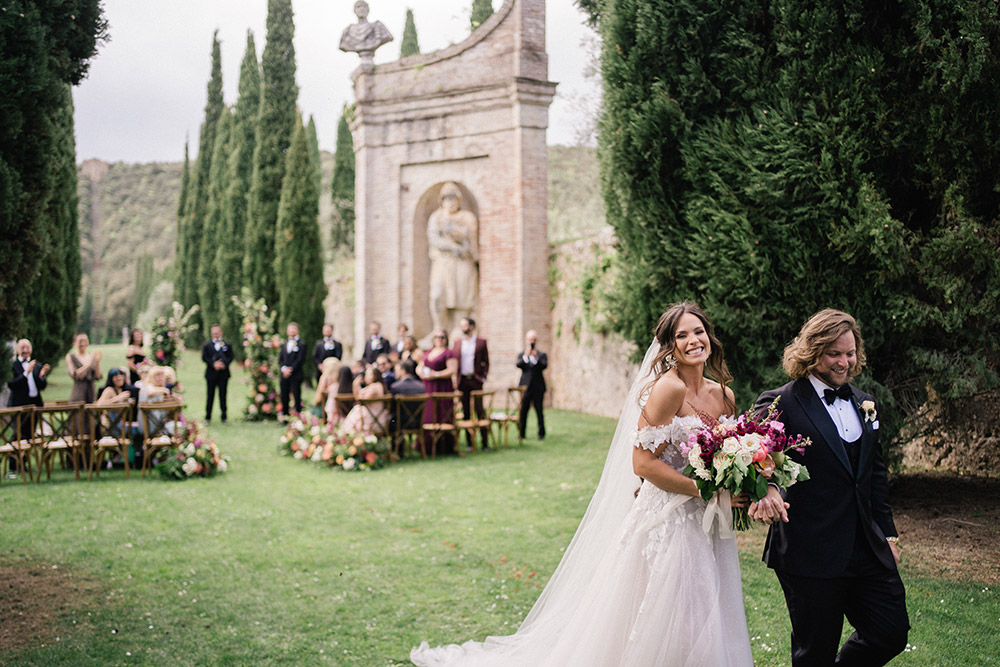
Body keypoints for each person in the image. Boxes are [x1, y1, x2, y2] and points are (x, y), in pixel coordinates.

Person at [411, 302, 753, 665]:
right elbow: (642, 463)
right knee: (674, 614)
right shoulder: (669, 390)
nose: (693, 340)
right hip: (668, 520)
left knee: (707, 608)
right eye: (681, 335)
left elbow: (725, 454)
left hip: (709, 520)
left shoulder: (724, 395)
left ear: (709, 336)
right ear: (669, 346)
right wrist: (705, 491)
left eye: (698, 331)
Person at [748, 309, 909, 666]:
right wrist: (769, 489)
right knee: (814, 652)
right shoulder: (781, 401)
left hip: (866, 546)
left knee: (890, 632)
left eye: (850, 353)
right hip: (809, 547)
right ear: (812, 351)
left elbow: (875, 478)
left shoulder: (865, 402)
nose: (844, 361)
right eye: (834, 353)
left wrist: (889, 536)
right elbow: (754, 457)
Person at [428, 182, 479, 334]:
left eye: (453, 199)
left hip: (463, 262)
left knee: (462, 298)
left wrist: (453, 232)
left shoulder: (467, 217)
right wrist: (454, 246)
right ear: (441, 201)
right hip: (442, 262)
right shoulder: (436, 217)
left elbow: (470, 239)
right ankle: (439, 329)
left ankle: (459, 331)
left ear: (459, 200)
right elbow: (434, 239)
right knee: (437, 295)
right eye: (446, 199)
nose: (450, 202)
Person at [419, 329, 458, 455]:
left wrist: (435, 374)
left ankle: (443, 447)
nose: (439, 339)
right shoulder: (429, 352)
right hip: (428, 387)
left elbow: (452, 370)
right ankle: (427, 446)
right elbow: (420, 366)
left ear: (446, 339)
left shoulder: (449, 353)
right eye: (437, 337)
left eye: (442, 337)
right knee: (428, 414)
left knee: (441, 414)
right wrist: (421, 373)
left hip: (442, 387)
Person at [452, 317, 489, 449]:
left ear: (472, 326)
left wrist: (482, 377)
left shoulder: (481, 342)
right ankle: (469, 443)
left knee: (479, 410)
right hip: (463, 381)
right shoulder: (457, 343)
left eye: (465, 325)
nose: (463, 328)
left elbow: (486, 362)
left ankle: (485, 442)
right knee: (466, 411)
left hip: (475, 380)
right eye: (461, 326)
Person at [516, 330, 547, 440]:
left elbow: (544, 366)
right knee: (523, 411)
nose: (532, 341)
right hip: (525, 388)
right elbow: (519, 365)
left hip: (538, 387)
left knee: (539, 411)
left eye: (534, 339)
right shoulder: (522, 354)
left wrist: (536, 357)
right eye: (530, 339)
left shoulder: (541, 355)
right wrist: (526, 355)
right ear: (526, 340)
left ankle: (541, 433)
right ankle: (521, 433)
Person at [340, 366, 389, 434]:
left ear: (374, 376)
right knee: (357, 410)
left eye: (368, 374)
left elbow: (361, 400)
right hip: (373, 418)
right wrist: (355, 385)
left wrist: (356, 385)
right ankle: (347, 432)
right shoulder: (373, 386)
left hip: (375, 420)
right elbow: (358, 398)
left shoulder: (375, 386)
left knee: (357, 409)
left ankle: (346, 432)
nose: (365, 377)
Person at [202, 324, 234, 424]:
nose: (215, 334)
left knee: (223, 395)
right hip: (211, 374)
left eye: (217, 332)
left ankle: (224, 416)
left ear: (221, 332)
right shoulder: (207, 345)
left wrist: (224, 364)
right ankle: (208, 417)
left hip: (223, 374)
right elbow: (204, 357)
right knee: (210, 395)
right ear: (211, 333)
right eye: (214, 332)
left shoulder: (227, 344)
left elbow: (231, 356)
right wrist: (213, 364)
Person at [278, 322, 306, 421]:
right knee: (284, 396)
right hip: (284, 374)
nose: (292, 331)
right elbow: (280, 359)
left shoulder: (302, 344)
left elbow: (300, 359)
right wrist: (283, 369)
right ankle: (285, 417)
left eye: (293, 329)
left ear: (297, 331)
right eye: (290, 329)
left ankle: (298, 417)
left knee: (297, 395)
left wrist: (291, 369)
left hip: (296, 374)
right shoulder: (284, 344)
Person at [66, 332, 102, 403]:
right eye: (80, 341)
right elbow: (74, 374)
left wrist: (97, 361)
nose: (82, 343)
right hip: (78, 394)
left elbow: (98, 376)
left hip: (91, 393)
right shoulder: (70, 357)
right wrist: (88, 364)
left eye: (85, 341)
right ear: (75, 343)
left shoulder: (91, 357)